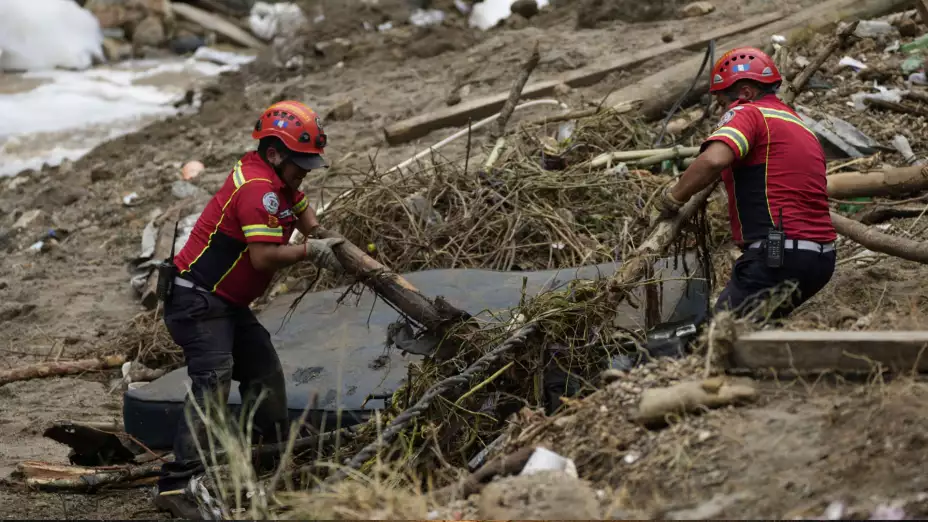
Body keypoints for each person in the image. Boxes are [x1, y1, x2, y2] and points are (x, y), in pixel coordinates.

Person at [153, 100, 344, 518]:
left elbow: (301, 206)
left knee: (263, 371)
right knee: (213, 383)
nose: (304, 172)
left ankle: (273, 451)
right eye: (300, 164)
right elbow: (262, 257)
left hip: (226, 302)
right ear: (274, 154)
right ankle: (177, 485)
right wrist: (311, 251)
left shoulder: (275, 179)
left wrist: (323, 235)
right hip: (197, 301)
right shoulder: (256, 191)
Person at [654, 47, 836, 322]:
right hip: (821, 259)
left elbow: (713, 160)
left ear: (746, 93)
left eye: (722, 102)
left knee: (719, 337)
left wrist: (672, 199)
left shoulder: (750, 113)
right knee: (758, 336)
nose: (721, 110)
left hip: (778, 254)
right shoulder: (799, 125)